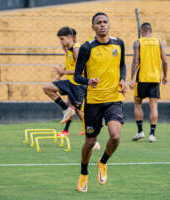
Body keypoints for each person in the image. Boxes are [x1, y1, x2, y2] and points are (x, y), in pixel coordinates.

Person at [74, 12, 126, 192]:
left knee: (116, 135)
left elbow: (122, 66)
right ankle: (83, 173)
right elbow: (77, 76)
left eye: (105, 22)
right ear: (93, 27)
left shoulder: (119, 43)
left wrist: (123, 80)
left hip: (113, 99)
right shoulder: (87, 48)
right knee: (90, 142)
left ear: (109, 25)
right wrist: (89, 81)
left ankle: (103, 162)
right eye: (99, 23)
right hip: (93, 102)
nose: (102, 25)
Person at [129, 22, 168, 142]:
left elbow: (135, 61)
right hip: (155, 78)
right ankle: (152, 134)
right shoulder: (159, 42)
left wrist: (131, 78)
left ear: (141, 31)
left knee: (137, 103)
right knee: (154, 106)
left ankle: (140, 131)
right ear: (151, 31)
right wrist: (165, 76)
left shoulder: (138, 42)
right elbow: (165, 61)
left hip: (142, 78)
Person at [43, 27, 85, 135]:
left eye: (62, 39)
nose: (60, 42)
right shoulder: (68, 50)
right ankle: (67, 114)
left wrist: (64, 72)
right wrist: (61, 74)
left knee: (79, 111)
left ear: (70, 37)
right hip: (70, 83)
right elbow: (69, 67)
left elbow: (81, 70)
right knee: (47, 87)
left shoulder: (76, 49)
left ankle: (91, 135)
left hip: (78, 86)